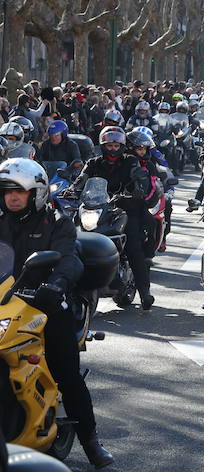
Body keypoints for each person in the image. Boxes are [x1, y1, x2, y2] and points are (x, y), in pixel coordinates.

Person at [0, 158, 114, 468]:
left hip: (46, 304)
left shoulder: (56, 222)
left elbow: (70, 258)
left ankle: (91, 442)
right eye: (6, 191)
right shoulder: (0, 221)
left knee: (67, 374)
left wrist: (56, 285)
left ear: (35, 193)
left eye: (18, 192)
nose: (11, 197)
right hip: (6, 304)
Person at [72, 126, 155, 310]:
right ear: (103, 145)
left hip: (123, 209)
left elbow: (138, 176)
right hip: (96, 209)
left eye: (116, 145)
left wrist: (137, 189)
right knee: (72, 237)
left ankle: (144, 292)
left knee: (133, 246)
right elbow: (82, 178)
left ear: (122, 146)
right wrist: (71, 190)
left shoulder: (130, 161)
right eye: (109, 145)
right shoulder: (94, 163)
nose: (113, 149)